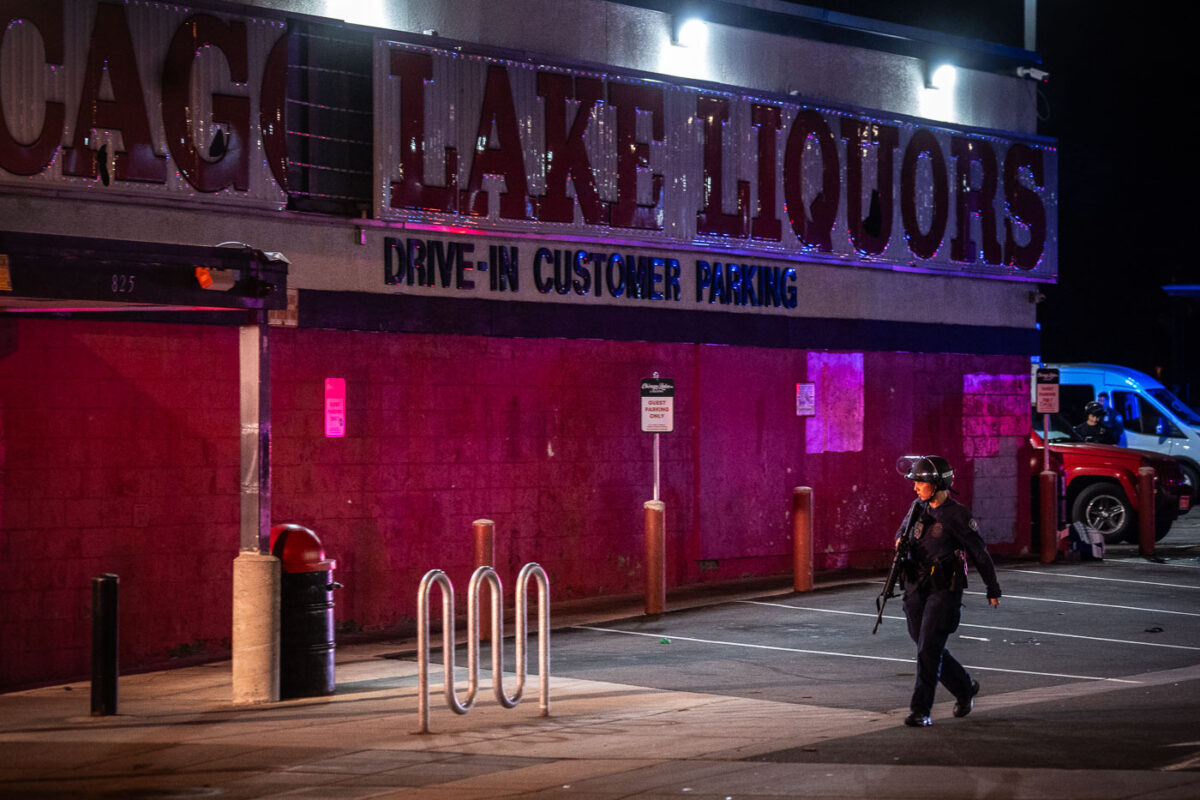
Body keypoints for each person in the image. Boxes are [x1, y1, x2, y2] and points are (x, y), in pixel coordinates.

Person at [894, 455, 1001, 727]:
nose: (915, 487)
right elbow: (902, 532)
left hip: (944, 589)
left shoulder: (957, 515)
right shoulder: (917, 507)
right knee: (924, 645)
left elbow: (979, 552)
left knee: (928, 649)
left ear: (936, 483)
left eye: (920, 482)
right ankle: (964, 687)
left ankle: (921, 710)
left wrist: (992, 586)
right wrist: (899, 542)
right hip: (915, 586)